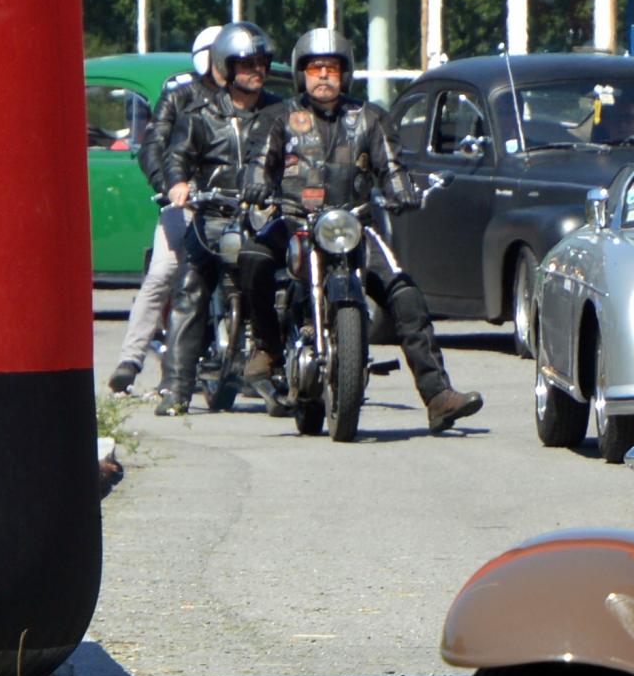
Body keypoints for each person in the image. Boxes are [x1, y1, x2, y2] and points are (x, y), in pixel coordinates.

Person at [238, 28, 482, 432]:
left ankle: (438, 395)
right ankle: (267, 348)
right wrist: (255, 183)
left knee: (404, 293)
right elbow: (259, 163)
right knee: (253, 258)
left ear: (345, 74)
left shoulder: (370, 117)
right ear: (301, 74)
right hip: (294, 220)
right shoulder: (277, 117)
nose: (323, 76)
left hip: (352, 224)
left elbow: (391, 166)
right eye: (315, 68)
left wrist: (402, 191)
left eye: (332, 69)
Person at [157, 24, 281, 414]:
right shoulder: (201, 114)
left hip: (264, 217)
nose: (256, 70)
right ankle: (176, 389)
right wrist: (177, 183)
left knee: (288, 281)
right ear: (226, 66)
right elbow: (176, 155)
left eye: (261, 63)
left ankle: (285, 369)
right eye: (246, 63)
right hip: (214, 214)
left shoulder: (279, 112)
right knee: (190, 289)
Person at [106, 26, 224, 396]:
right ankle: (130, 359)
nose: (241, 66)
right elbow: (153, 145)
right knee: (162, 273)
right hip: (188, 202)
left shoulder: (249, 101)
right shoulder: (179, 96)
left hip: (235, 204)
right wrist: (169, 184)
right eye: (230, 57)